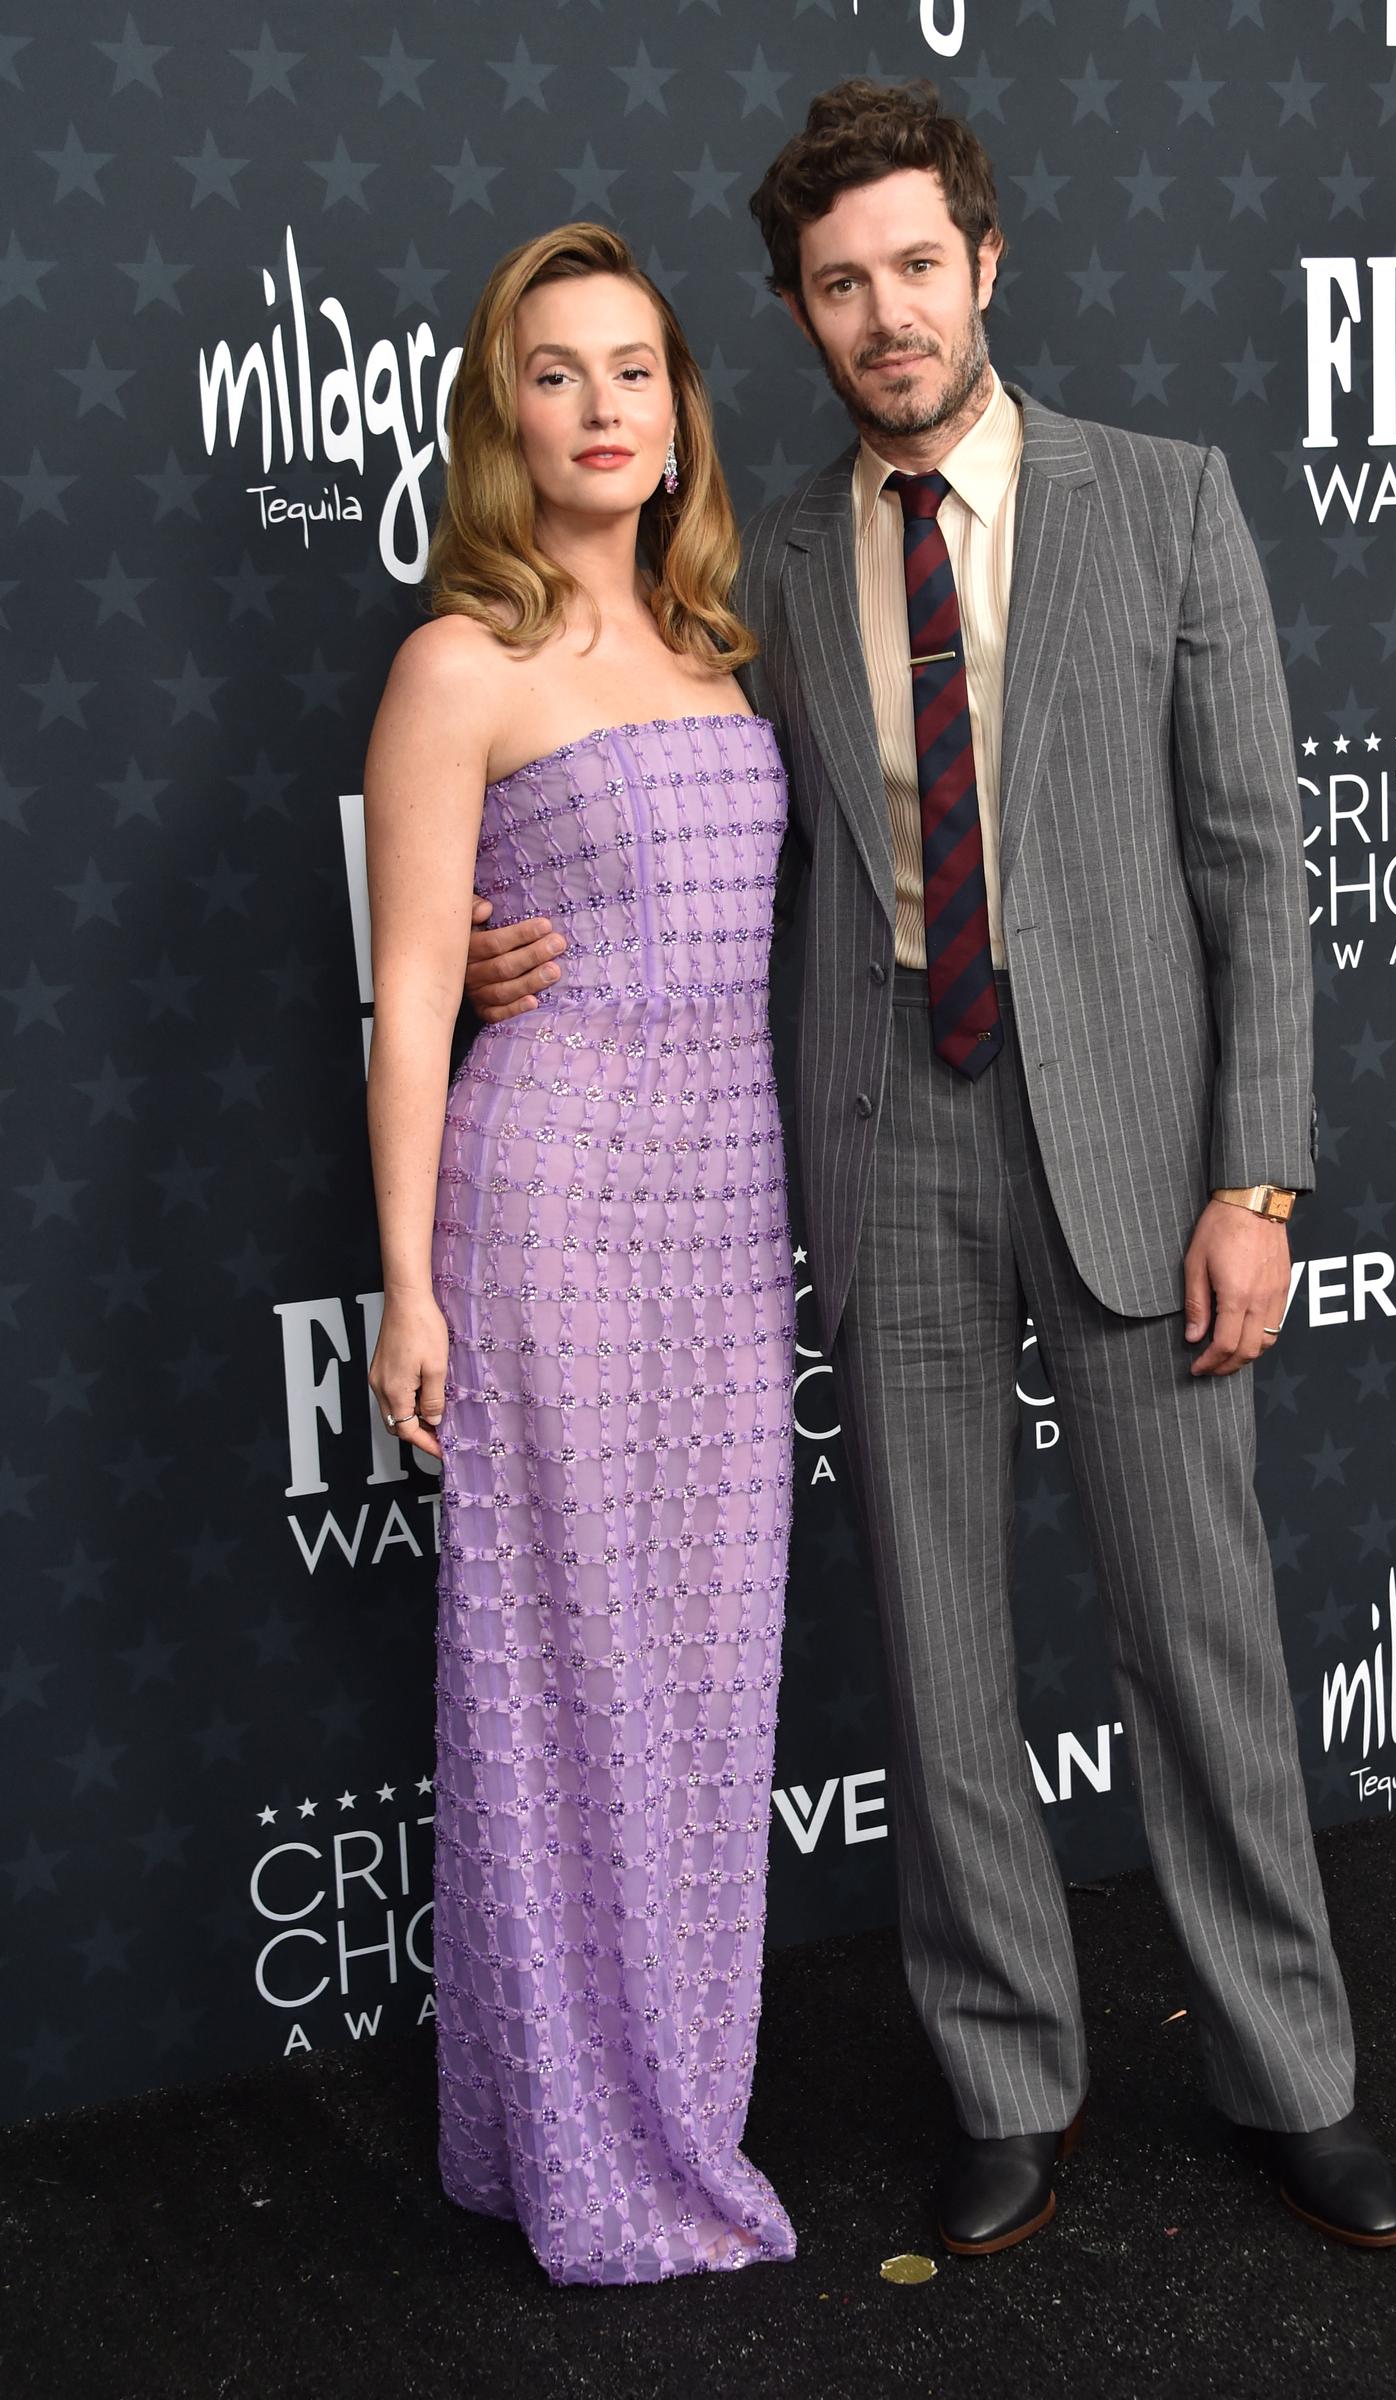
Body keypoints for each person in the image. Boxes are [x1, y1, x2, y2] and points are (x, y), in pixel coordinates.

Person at [465, 82, 1396, 2258]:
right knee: (941, 1657)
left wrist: (1258, 1179)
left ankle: (1295, 2074)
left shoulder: (1167, 501)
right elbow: (664, 800)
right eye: (836, 285)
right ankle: (1007, 2083)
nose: (884, 314)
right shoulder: (763, 565)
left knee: (1201, 1637)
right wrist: (517, 935)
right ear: (798, 317)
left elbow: (1255, 866)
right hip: (882, 1124)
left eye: (914, 265)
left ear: (984, 263)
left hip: (1140, 1147)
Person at [362, 222, 796, 2285]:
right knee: (568, 1683)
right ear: (505, 418)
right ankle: (580, 2144)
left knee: (705, 1681)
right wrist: (409, 1282)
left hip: (729, 1215)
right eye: (557, 373)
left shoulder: (723, 643)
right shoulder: (457, 662)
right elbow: (412, 1000)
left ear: (679, 413)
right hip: (547, 1211)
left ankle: (671, 2105)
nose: (603, 406)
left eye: (635, 369)